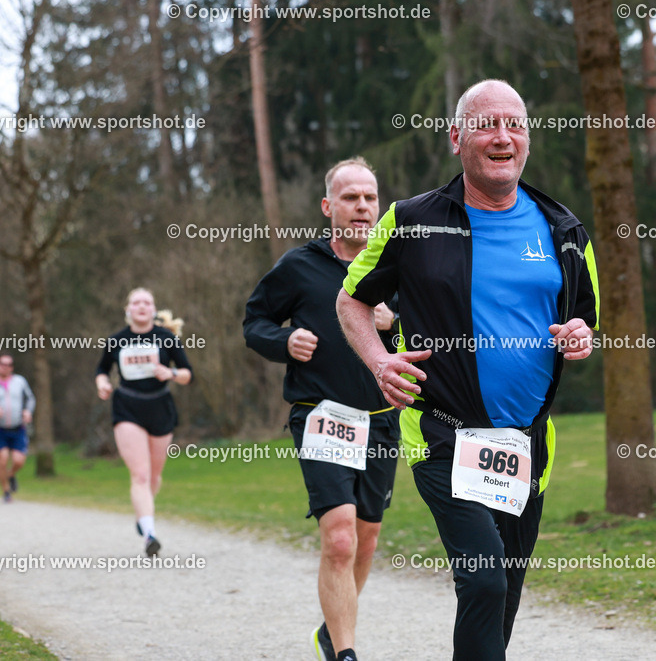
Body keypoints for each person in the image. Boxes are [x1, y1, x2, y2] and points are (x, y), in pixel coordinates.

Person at [336, 80, 600, 660]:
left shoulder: (564, 229)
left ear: (527, 138)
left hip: (527, 444)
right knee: (483, 580)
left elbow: (585, 319)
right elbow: (351, 300)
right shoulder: (412, 221)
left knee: (501, 598)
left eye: (515, 124)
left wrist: (581, 337)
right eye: (486, 124)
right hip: (442, 435)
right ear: (458, 138)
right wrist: (379, 361)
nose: (502, 136)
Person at [244, 157, 400, 661]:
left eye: (370, 198)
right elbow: (255, 323)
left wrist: (393, 320)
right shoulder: (300, 267)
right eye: (350, 197)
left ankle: (331, 633)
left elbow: (427, 335)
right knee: (338, 538)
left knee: (367, 537)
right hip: (322, 414)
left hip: (382, 418)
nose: (361, 206)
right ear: (328, 206)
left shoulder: (396, 267)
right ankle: (346, 653)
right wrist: (284, 341)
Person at [96, 289, 193, 556]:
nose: (141, 306)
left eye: (147, 302)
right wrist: (103, 384)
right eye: (136, 302)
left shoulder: (167, 338)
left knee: (153, 475)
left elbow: (188, 374)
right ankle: (150, 534)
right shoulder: (116, 340)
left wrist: (170, 372)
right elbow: (101, 370)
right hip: (127, 407)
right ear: (128, 309)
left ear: (153, 310)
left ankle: (143, 515)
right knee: (139, 474)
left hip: (160, 406)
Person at [0, 353, 36, 502]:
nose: (6, 367)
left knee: (18, 461)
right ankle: (6, 492)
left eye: (9, 365)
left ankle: (10, 475)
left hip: (18, 427)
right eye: (3, 364)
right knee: (2, 460)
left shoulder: (20, 382)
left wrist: (28, 411)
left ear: (12, 367)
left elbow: (30, 399)